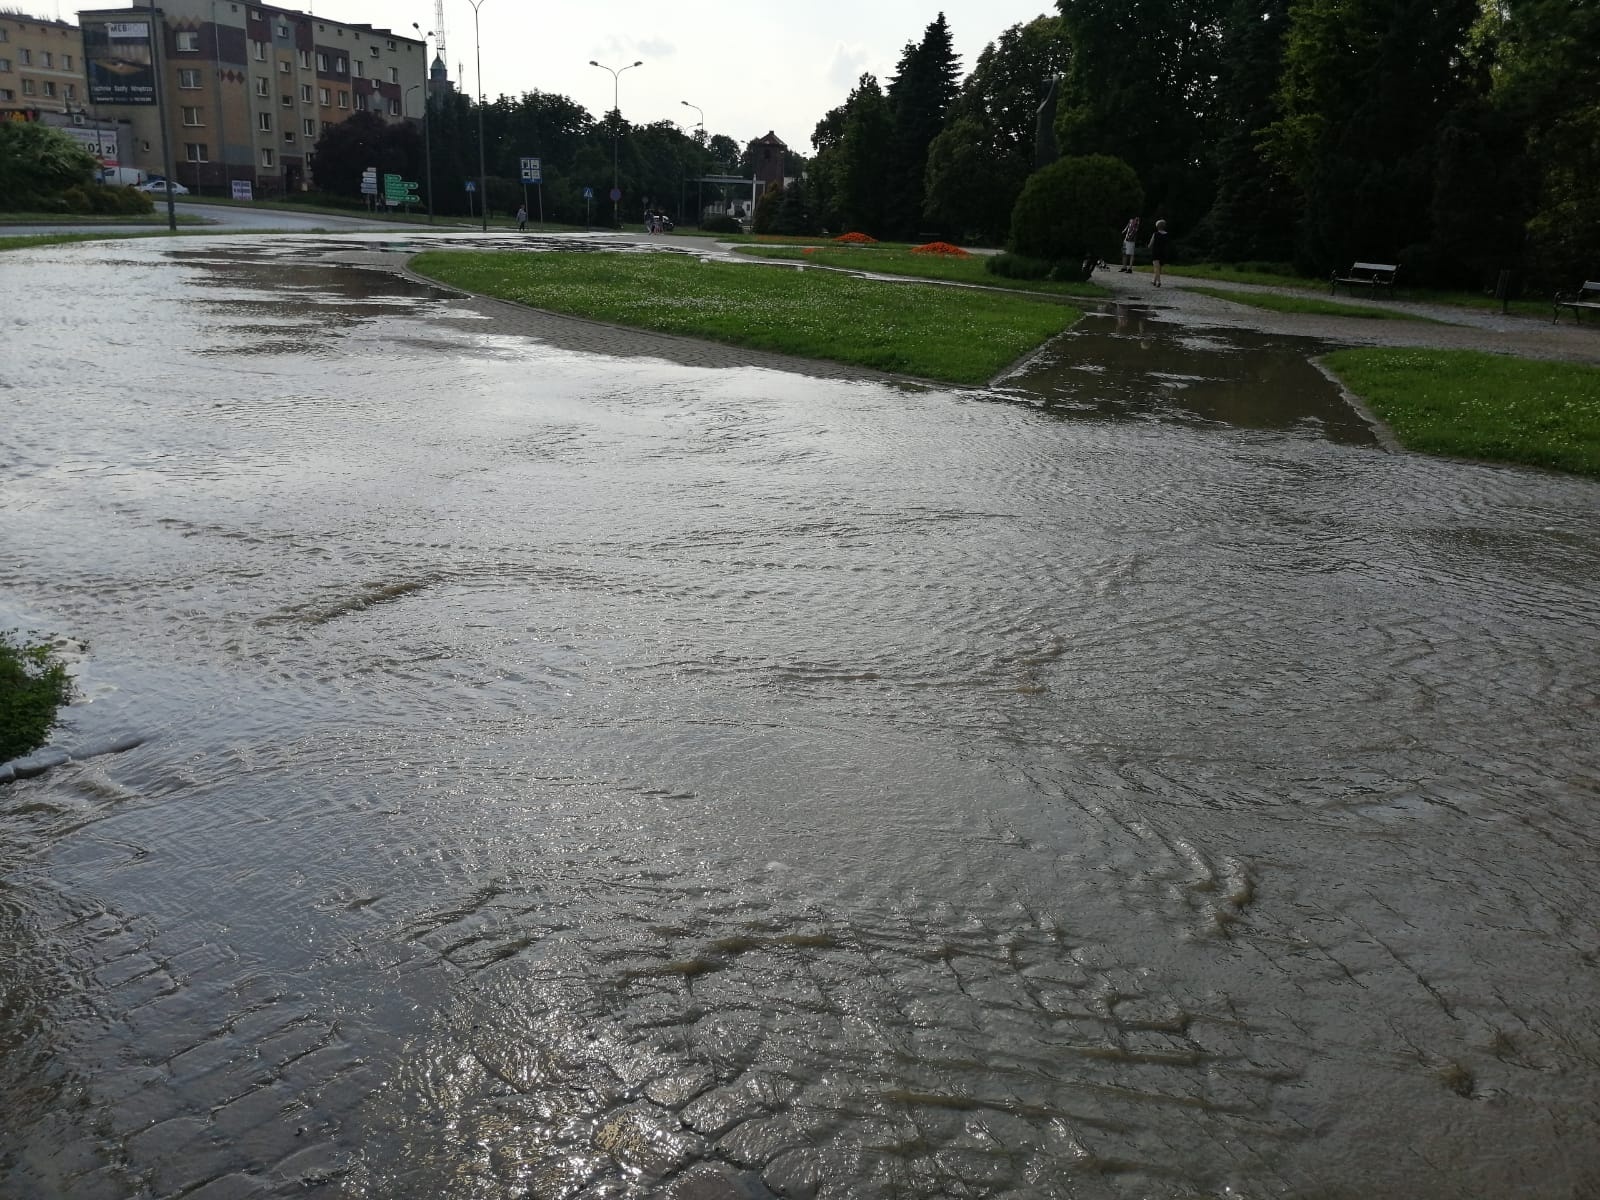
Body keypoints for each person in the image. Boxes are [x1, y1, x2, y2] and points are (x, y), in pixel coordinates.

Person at [1148, 219, 1170, 287]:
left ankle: (1158, 282)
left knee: (1156, 267)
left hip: (1156, 252)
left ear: (1157, 226)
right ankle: (1154, 281)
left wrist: (1149, 246)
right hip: (1163, 252)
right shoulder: (1167, 234)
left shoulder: (1155, 234)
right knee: (1159, 268)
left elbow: (1151, 244)